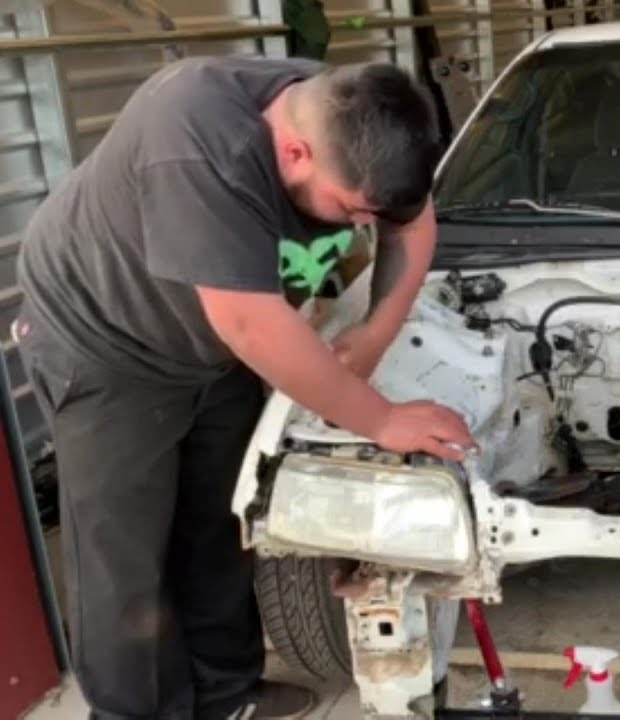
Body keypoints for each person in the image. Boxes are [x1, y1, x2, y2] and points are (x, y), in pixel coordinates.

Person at [14, 55, 476, 720]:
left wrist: (373, 337)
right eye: (351, 211)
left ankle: (227, 694)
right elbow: (250, 325)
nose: (358, 228)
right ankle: (135, 713)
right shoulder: (198, 146)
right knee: (127, 561)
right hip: (105, 346)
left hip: (208, 345)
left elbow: (412, 222)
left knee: (221, 523)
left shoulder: (353, 116)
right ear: (293, 152)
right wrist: (380, 419)